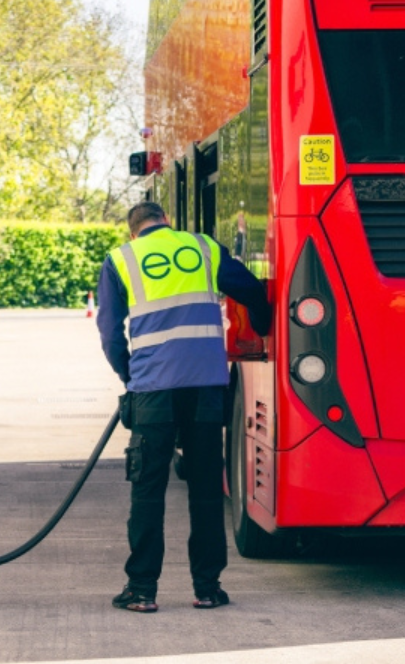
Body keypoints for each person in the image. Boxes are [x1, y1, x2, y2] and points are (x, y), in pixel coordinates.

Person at [96, 201, 271, 613]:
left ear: (133, 230)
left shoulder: (121, 258)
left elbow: (109, 332)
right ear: (167, 222)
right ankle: (208, 588)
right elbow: (251, 290)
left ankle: (141, 590)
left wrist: (130, 376)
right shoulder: (203, 248)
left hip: (153, 388)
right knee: (207, 490)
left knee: (148, 489)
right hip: (207, 386)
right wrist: (262, 327)